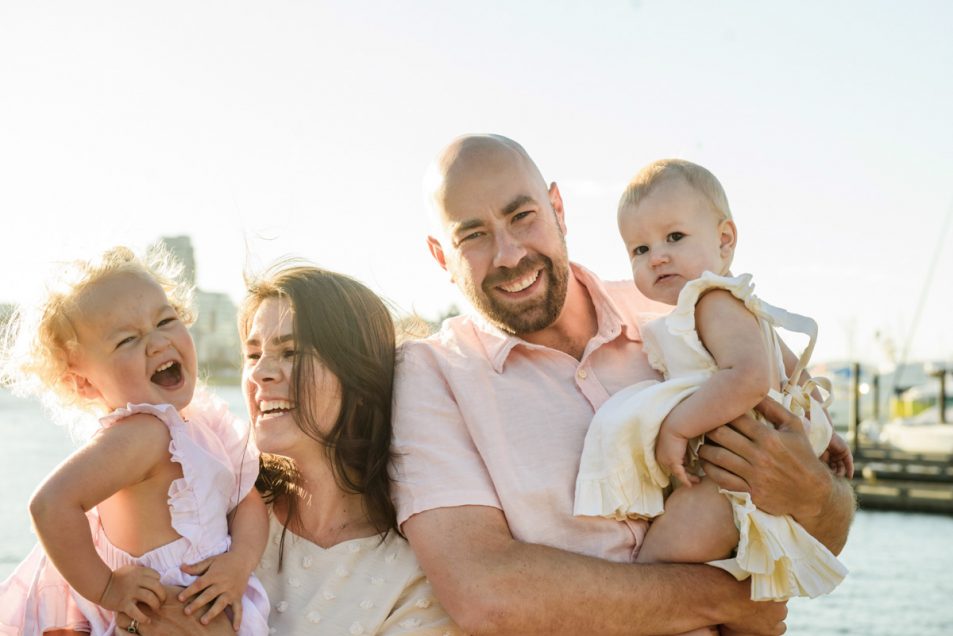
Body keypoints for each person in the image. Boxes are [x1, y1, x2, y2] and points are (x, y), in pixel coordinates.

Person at [391, 134, 856, 635]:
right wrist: (730, 601)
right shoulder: (431, 374)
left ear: (558, 208)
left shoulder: (681, 309)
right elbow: (486, 595)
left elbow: (825, 539)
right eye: (474, 235)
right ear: (441, 256)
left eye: (522, 216)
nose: (508, 254)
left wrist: (813, 495)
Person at [572, 159, 852, 613]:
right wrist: (827, 433)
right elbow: (791, 372)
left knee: (651, 574)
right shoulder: (738, 303)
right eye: (639, 249)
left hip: (724, 484)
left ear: (724, 240)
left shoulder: (710, 299)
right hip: (740, 473)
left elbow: (751, 378)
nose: (657, 256)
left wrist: (678, 428)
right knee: (722, 585)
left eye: (674, 238)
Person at [119, 264, 460, 635]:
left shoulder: (416, 573)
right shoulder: (207, 508)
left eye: (291, 352)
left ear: (361, 379)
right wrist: (134, 618)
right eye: (253, 354)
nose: (260, 373)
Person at [0, 246, 269, 635]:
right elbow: (50, 505)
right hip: (159, 614)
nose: (158, 342)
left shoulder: (200, 420)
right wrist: (108, 588)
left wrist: (240, 561)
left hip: (209, 602)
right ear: (83, 381)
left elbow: (246, 499)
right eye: (127, 340)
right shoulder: (143, 432)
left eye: (165, 320)